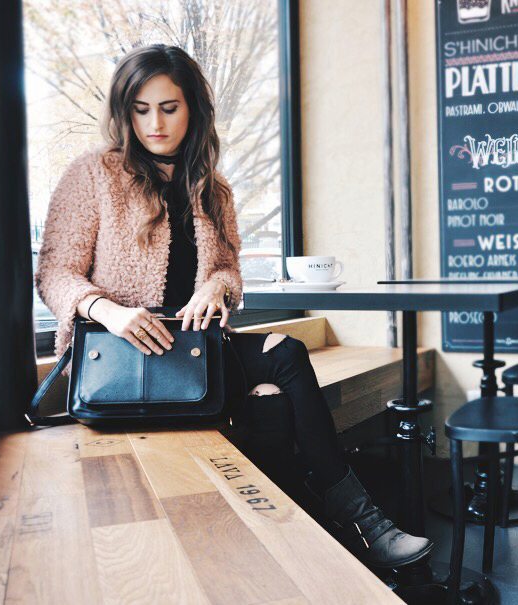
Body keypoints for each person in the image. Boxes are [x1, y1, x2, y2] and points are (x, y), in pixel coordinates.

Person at [34, 44, 433, 570]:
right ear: (125, 110)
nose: (155, 122)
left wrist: (215, 289)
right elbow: (54, 273)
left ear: (192, 109)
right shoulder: (94, 174)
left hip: (192, 351)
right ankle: (351, 537)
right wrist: (106, 309)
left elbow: (227, 270)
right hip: (122, 362)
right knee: (272, 396)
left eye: (169, 108)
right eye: (141, 108)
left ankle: (330, 542)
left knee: (279, 371)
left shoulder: (211, 186)